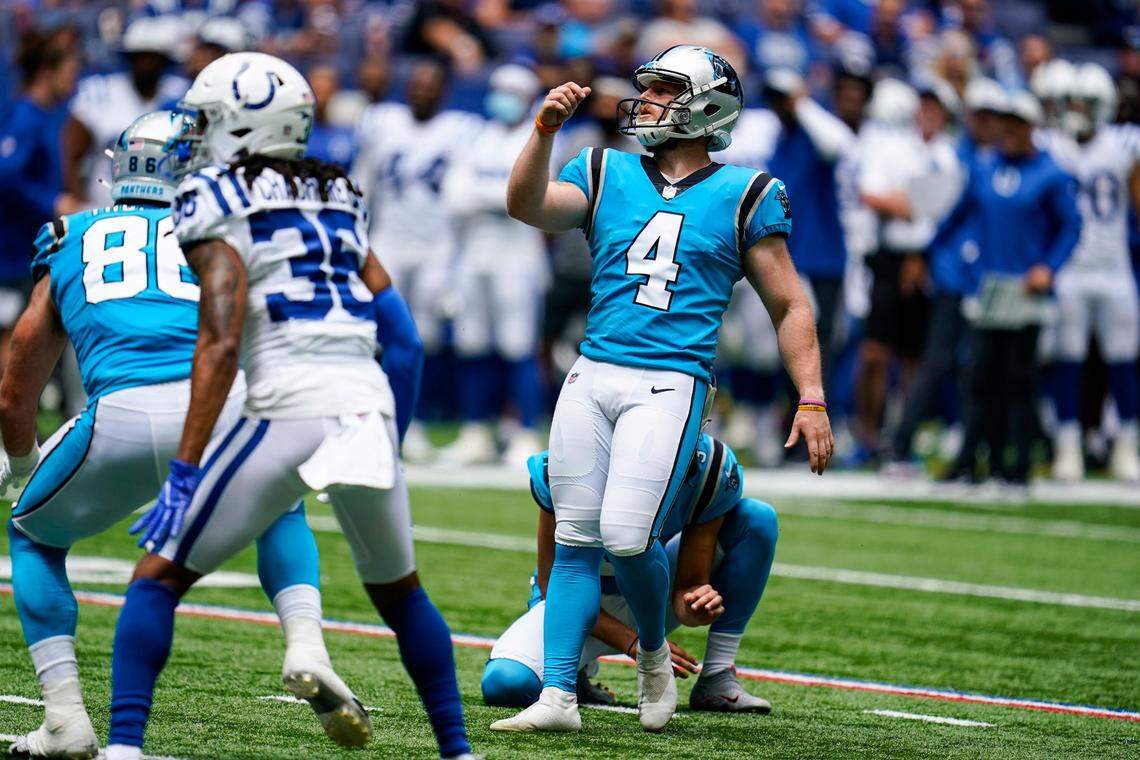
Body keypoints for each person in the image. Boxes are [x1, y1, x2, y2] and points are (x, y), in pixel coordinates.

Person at [101, 54, 471, 760]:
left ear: (238, 127)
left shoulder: (210, 195)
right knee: (402, 594)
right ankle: (458, 750)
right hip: (366, 401)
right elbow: (406, 342)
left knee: (156, 579)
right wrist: (389, 439)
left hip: (287, 400)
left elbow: (218, 341)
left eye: (207, 121)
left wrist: (185, 469)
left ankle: (123, 747)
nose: (195, 135)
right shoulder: (339, 193)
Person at [492, 44, 832, 734]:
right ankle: (558, 696)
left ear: (705, 106)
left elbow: (790, 306)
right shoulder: (603, 168)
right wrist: (543, 133)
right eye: (645, 88)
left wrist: (812, 396)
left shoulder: (747, 193)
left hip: (669, 380)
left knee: (624, 533)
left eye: (660, 90)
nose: (643, 101)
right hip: (592, 373)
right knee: (579, 539)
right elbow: (527, 205)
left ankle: (652, 656)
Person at [0, 111, 332, 760]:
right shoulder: (227, 230)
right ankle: (306, 640)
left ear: (121, 164)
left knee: (32, 533)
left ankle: (66, 716)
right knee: (278, 510)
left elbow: (15, 386)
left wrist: (20, 462)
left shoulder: (70, 233)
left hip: (120, 415)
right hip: (225, 408)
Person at [482, 434, 777, 714]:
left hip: (651, 592)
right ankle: (573, 671)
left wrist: (694, 605)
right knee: (506, 683)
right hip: (573, 601)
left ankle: (717, 673)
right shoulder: (576, 454)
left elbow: (688, 586)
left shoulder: (707, 465)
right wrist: (636, 643)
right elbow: (551, 585)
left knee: (756, 519)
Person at [934, 92, 1081, 485]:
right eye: (1006, 124)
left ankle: (1016, 466)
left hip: (1025, 287)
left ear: (1032, 128)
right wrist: (932, 252)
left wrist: (1048, 268)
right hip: (989, 284)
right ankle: (975, 460)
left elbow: (1070, 227)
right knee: (980, 376)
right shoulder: (987, 168)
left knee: (1018, 379)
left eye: (1017, 124)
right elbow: (958, 214)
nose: (1009, 131)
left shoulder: (1051, 173)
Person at [352, 58, 480, 460]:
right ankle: (367, 416)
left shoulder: (461, 130)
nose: (422, 91)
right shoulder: (381, 122)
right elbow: (362, 183)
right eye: (417, 82)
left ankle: (414, 421)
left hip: (435, 246)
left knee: (418, 336)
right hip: (387, 239)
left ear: (444, 90)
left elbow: (463, 194)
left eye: (431, 84)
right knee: (373, 334)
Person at [889, 77, 1005, 468]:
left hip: (996, 275)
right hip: (958, 274)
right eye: (981, 116)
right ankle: (902, 442)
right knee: (938, 360)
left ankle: (976, 444)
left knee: (985, 366)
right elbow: (939, 217)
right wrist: (923, 256)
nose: (986, 124)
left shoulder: (1003, 160)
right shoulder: (957, 157)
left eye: (993, 117)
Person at [442, 63, 547, 466]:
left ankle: (523, 431)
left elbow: (531, 198)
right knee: (472, 343)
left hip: (519, 259)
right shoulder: (476, 136)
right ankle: (476, 432)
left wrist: (496, 197)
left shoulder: (538, 138)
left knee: (518, 346)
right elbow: (455, 196)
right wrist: (502, 196)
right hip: (474, 256)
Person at [1046, 64, 1140, 481]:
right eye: (1072, 103)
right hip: (1069, 270)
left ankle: (1126, 446)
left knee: (1124, 361)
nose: (1077, 111)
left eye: (1085, 104)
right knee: (1068, 360)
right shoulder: (1052, 145)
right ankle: (1068, 448)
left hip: (1114, 267)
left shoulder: (1123, 144)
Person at [0, 28, 82, 392]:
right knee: (12, 336)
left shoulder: (45, 116)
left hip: (27, 250)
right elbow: (5, 173)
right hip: (13, 252)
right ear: (48, 71)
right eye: (69, 70)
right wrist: (51, 202)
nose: (74, 79)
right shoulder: (26, 117)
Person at [61, 17, 188, 208]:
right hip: (104, 208)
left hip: (165, 211)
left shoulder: (179, 93)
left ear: (164, 60)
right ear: (129, 58)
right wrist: (79, 203)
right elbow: (69, 153)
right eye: (140, 56)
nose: (146, 64)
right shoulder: (101, 91)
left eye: (152, 57)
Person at [306, 64, 358, 168]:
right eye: (316, 90)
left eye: (324, 91)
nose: (320, 98)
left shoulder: (347, 134)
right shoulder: (299, 134)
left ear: (335, 91)